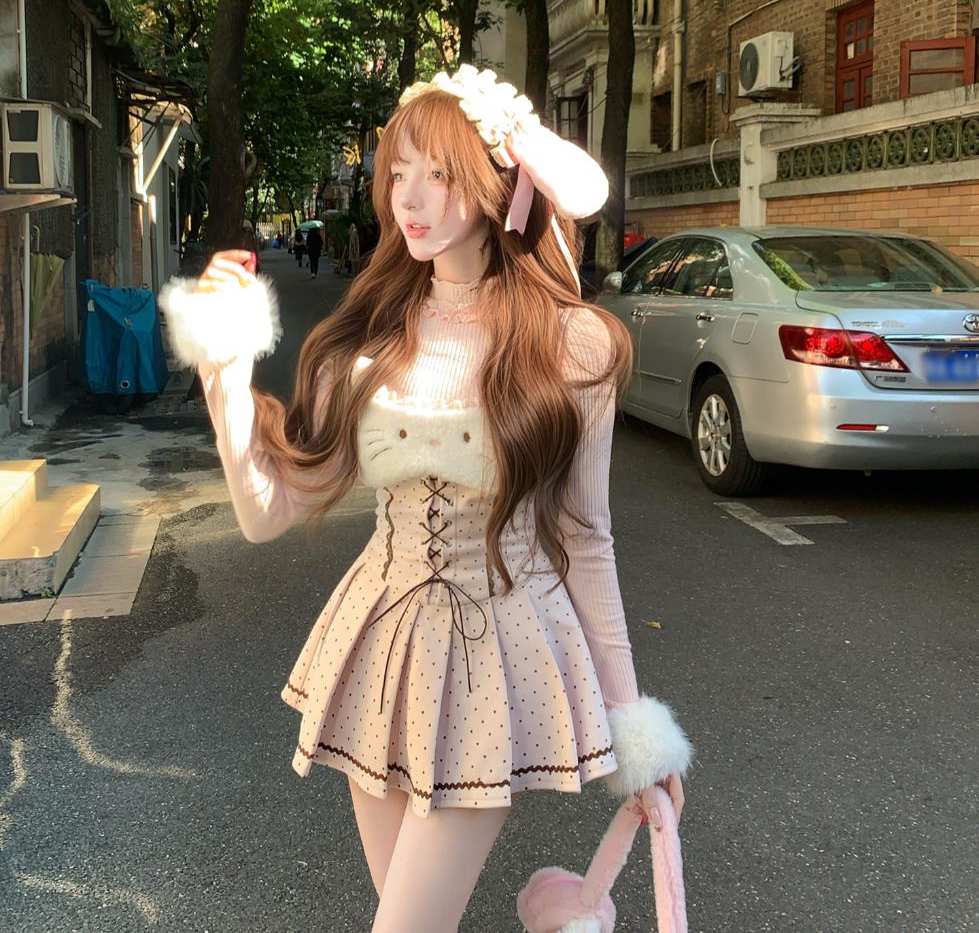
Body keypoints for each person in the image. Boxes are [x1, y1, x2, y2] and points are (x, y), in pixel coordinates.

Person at [159, 65, 690, 933]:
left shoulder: (574, 343)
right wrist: (224, 376)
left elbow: (585, 537)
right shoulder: (361, 344)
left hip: (497, 656)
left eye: (437, 174)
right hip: (381, 651)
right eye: (396, 172)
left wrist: (637, 731)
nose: (410, 199)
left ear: (493, 187)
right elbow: (265, 514)